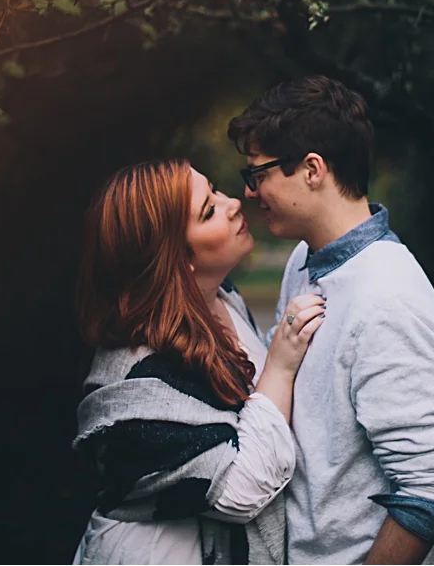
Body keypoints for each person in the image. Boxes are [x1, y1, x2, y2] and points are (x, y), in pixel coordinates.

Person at [228, 76, 434, 565]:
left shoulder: (387, 299)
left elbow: (432, 490)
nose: (250, 193)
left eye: (258, 174)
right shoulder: (303, 260)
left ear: (312, 169)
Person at [71, 159, 326, 565]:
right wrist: (280, 363)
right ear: (176, 257)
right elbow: (242, 490)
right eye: (209, 211)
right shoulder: (138, 374)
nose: (233, 204)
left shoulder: (223, 299)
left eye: (216, 191)